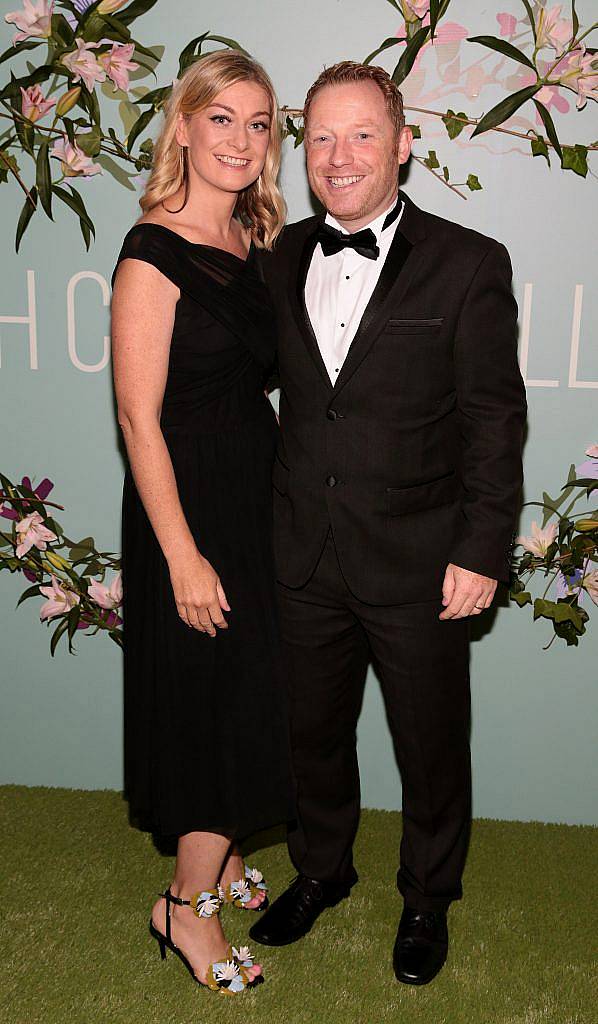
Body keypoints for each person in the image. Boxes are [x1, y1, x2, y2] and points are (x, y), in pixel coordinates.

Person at [250, 61, 527, 986]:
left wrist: (483, 547)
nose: (340, 156)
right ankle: (321, 870)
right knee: (310, 735)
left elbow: (495, 419)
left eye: (362, 134)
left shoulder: (470, 261)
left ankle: (426, 899)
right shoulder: (277, 255)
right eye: (321, 137)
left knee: (431, 745)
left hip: (421, 561)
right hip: (303, 556)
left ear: (403, 143)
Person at [110, 50, 293, 996]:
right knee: (216, 705)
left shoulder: (252, 241)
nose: (241, 140)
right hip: (188, 508)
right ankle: (186, 907)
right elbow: (139, 416)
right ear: (182, 126)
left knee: (250, 690)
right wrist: (182, 556)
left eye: (259, 123)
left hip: (251, 495)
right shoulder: (153, 248)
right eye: (220, 119)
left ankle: (217, 865)